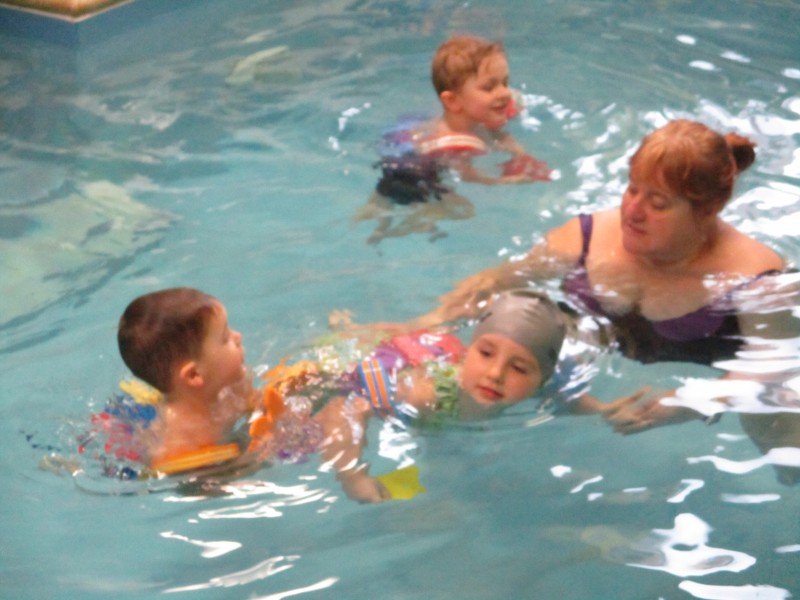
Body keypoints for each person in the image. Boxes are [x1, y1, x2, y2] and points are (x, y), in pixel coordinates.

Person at [410, 119, 796, 434]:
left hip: (712, 363)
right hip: (596, 350)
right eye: (632, 190)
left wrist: (694, 401)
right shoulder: (586, 238)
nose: (633, 211)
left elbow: (774, 364)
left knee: (781, 430)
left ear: (707, 210)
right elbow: (494, 283)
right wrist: (423, 323)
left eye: (658, 202)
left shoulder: (758, 279)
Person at [286, 289, 568, 502]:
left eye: (519, 368)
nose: (495, 373)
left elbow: (573, 400)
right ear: (471, 350)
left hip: (428, 353)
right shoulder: (428, 395)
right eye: (485, 353)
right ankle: (343, 328)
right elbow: (346, 408)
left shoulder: (548, 390)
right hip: (369, 363)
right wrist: (352, 476)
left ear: (541, 380)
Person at [354, 34, 550, 244]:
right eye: (489, 87)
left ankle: (381, 216)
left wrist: (519, 153)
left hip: (406, 163)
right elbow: (468, 176)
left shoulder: (476, 119)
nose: (504, 93)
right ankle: (409, 224)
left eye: (505, 82)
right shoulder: (456, 144)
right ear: (453, 101)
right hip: (416, 176)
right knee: (465, 211)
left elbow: (499, 136)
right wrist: (504, 181)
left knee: (386, 195)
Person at [116, 287, 258, 473]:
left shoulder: (228, 388)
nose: (238, 336)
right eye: (225, 338)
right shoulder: (184, 441)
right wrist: (262, 448)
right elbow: (208, 479)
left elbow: (258, 405)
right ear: (194, 375)